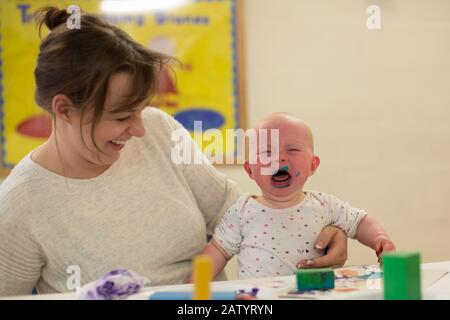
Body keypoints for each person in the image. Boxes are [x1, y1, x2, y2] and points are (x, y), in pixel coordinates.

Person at [0, 7, 348, 297]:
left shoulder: (158, 129)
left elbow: (241, 218)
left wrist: (317, 230)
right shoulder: (20, 205)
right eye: (122, 116)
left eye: (140, 110)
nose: (138, 129)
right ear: (64, 110)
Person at [196, 113, 396, 279]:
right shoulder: (242, 211)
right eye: (267, 152)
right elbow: (217, 251)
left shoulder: (325, 205)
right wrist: (190, 288)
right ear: (250, 169)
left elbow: (360, 221)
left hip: (317, 294)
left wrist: (380, 238)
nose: (280, 157)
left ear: (312, 165)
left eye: (292, 150)